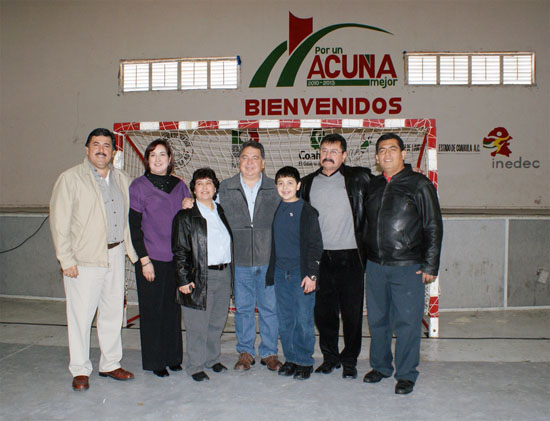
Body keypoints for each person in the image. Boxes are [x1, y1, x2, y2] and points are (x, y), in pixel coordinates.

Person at [49, 128, 138, 391]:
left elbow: (130, 218)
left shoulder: (122, 179)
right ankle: (79, 369)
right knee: (81, 316)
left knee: (112, 313)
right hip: (84, 258)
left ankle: (110, 364)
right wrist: (66, 259)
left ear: (114, 151)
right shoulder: (70, 179)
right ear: (86, 149)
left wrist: (132, 254)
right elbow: (59, 221)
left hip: (115, 253)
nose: (101, 149)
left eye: (107, 145)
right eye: (96, 144)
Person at [362, 133, 443, 395]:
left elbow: (433, 225)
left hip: (407, 267)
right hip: (375, 266)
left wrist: (430, 265)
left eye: (393, 149)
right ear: (376, 157)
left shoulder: (419, 184)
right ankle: (381, 366)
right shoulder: (372, 186)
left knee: (408, 322)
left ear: (403, 154)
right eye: (382, 150)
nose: (387, 154)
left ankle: (406, 374)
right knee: (378, 320)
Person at [299, 133, 372, 379]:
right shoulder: (307, 183)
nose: (328, 156)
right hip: (320, 259)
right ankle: (330, 357)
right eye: (324, 150)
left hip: (351, 257)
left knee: (352, 313)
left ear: (344, 155)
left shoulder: (359, 178)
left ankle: (350, 359)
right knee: (324, 313)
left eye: (334, 151)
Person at [129, 139, 191, 378]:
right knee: (152, 311)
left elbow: (187, 220)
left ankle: (173, 357)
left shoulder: (180, 185)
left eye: (162, 154)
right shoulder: (138, 186)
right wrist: (144, 260)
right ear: (147, 159)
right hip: (150, 261)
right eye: (152, 155)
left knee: (172, 311)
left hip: (175, 260)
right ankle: (155, 361)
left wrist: (190, 205)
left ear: (170, 159)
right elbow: (134, 227)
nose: (157, 159)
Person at [218, 141, 282, 371]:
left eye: (255, 158)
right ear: (239, 161)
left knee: (269, 308)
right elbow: (207, 209)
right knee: (243, 309)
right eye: (245, 157)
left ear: (263, 163)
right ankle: (245, 351)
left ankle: (270, 352)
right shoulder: (225, 188)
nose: (250, 162)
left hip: (268, 260)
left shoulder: (276, 188)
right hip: (240, 261)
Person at [172, 168, 233, 382]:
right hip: (198, 277)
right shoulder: (186, 216)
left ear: (215, 188)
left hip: (224, 274)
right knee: (197, 324)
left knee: (217, 321)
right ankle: (196, 365)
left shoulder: (220, 210)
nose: (205, 187)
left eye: (209, 183)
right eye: (200, 183)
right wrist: (183, 279)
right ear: (193, 190)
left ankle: (212, 359)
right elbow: (180, 250)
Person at [266, 166, 323, 380]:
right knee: (286, 319)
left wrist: (312, 275)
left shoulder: (307, 211)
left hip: (302, 274)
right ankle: (290, 359)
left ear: (298, 185)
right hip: (282, 273)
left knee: (304, 319)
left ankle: (304, 361)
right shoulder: (275, 208)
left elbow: (316, 245)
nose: (285, 187)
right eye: (280, 183)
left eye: (290, 183)